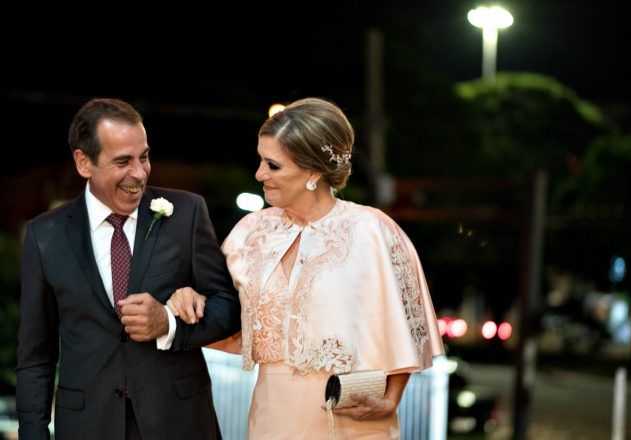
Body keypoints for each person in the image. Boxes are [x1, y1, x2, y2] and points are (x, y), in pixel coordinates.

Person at [168, 97, 444, 439]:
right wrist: (187, 295)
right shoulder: (250, 232)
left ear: (313, 171)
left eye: (273, 165)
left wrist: (391, 399)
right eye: (260, 161)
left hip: (352, 422)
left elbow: (405, 328)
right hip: (271, 419)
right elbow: (218, 304)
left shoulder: (372, 231)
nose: (259, 174)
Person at [16, 98, 241, 440]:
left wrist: (168, 323)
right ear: (84, 162)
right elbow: (35, 355)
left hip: (179, 423)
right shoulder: (45, 235)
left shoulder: (187, 213)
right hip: (87, 427)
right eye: (123, 161)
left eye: (144, 157)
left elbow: (230, 309)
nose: (139, 173)